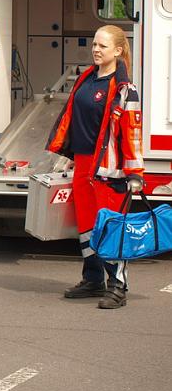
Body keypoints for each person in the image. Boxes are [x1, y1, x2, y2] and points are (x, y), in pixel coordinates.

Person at [48, 24, 144, 309]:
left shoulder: (126, 88)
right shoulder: (87, 78)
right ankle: (93, 279)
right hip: (84, 164)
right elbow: (73, 119)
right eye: (94, 44)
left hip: (110, 170)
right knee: (88, 226)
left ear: (117, 50)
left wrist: (135, 174)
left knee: (112, 227)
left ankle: (118, 286)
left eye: (102, 46)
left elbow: (132, 132)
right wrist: (68, 153)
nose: (96, 50)